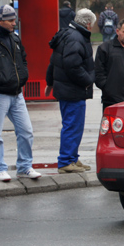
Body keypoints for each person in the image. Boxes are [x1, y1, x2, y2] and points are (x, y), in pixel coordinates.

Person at [0, 5, 41, 182]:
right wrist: (2, 79)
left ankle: (25, 166)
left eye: (14, 19)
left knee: (26, 131)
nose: (14, 23)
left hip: (17, 93)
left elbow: (23, 60)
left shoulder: (15, 39)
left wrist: (22, 76)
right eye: (10, 20)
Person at [45, 9, 96, 174]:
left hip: (66, 88)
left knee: (73, 125)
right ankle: (66, 160)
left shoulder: (67, 34)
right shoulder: (76, 38)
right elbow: (73, 65)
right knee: (73, 126)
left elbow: (54, 61)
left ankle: (72, 157)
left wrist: (50, 82)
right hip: (73, 90)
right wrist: (88, 80)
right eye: (92, 24)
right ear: (88, 23)